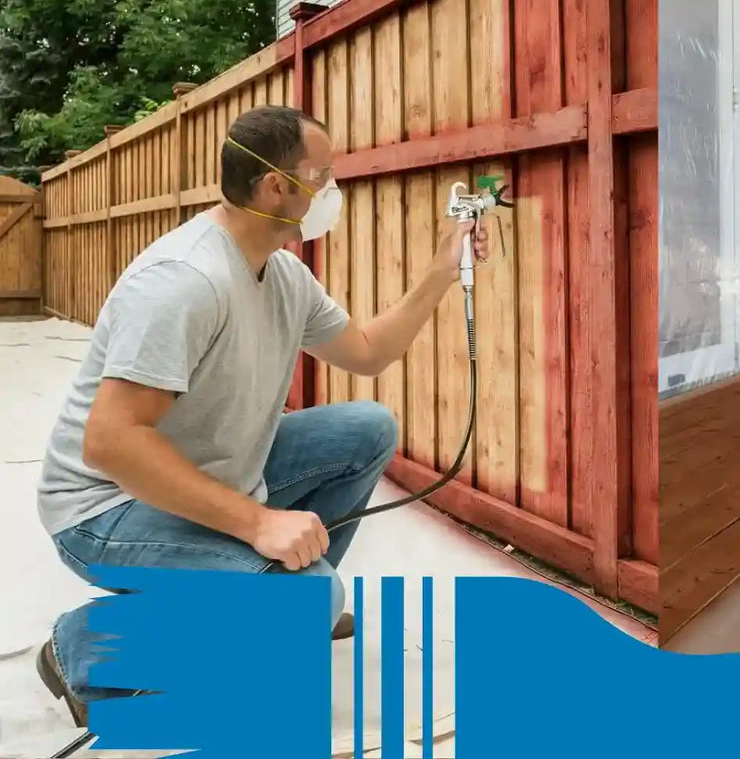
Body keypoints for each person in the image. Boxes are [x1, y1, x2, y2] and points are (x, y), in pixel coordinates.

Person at [33, 104, 492, 725]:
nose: (333, 190)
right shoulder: (184, 280)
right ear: (277, 186)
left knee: (366, 429)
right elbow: (111, 444)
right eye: (323, 175)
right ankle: (83, 645)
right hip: (104, 508)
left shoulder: (281, 273)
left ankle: (275, 589)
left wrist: (442, 272)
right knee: (306, 602)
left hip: (198, 477)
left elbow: (365, 353)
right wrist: (256, 522)